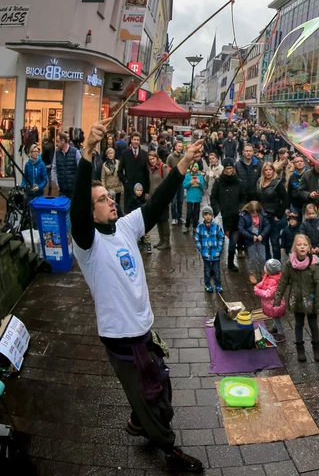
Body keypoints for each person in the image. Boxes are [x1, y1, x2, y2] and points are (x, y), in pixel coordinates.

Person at [69, 119, 204, 472]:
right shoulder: (87, 243)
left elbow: (158, 202)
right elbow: (77, 214)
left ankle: (138, 422)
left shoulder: (126, 226)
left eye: (109, 197)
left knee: (160, 385)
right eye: (101, 200)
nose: (110, 201)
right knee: (152, 397)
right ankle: (168, 450)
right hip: (121, 337)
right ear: (90, 209)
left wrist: (184, 163)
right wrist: (87, 155)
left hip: (143, 329)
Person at [274, 234, 319, 363]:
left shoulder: (314, 265)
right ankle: (300, 348)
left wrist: (318, 305)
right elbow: (283, 282)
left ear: (309, 248)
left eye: (305, 245)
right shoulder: (290, 264)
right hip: (296, 299)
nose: (302, 247)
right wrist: (277, 299)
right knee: (298, 324)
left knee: (313, 325)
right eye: (299, 244)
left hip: (310, 300)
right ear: (294, 247)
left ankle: (316, 347)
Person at [210, 158, 245, 272]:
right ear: (223, 169)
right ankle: (213, 263)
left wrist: (240, 208)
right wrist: (217, 210)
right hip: (222, 216)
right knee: (218, 241)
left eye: (231, 168)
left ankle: (230, 263)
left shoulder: (239, 182)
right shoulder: (219, 182)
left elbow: (243, 198)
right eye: (227, 168)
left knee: (233, 241)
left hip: (235, 216)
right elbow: (213, 197)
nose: (229, 170)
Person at [255, 161, 287, 261]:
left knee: (275, 242)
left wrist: (279, 215)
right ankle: (268, 263)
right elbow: (257, 198)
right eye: (266, 170)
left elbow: (285, 199)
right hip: (262, 216)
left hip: (273, 216)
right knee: (264, 241)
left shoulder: (277, 183)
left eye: (270, 170)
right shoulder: (259, 182)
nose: (268, 172)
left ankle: (277, 264)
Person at [194, 205, 224, 293]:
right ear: (203, 216)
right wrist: (201, 249)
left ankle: (218, 284)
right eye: (206, 214)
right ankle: (207, 284)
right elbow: (197, 239)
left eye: (209, 214)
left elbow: (221, 238)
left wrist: (219, 249)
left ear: (212, 215)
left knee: (216, 271)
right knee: (207, 271)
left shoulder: (217, 226)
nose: (208, 216)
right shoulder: (200, 227)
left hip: (215, 254)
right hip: (206, 254)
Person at [254, 259, 286, 340]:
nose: (264, 267)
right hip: (271, 304)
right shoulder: (268, 276)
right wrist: (259, 285)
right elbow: (263, 282)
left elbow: (268, 294)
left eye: (265, 267)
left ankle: (281, 334)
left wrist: (258, 291)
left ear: (270, 270)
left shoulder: (273, 281)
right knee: (275, 317)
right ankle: (275, 328)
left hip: (275, 304)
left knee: (277, 319)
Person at [238, 200, 269, 285]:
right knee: (252, 258)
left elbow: (267, 226)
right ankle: (252, 272)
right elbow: (241, 229)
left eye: (256, 213)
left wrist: (262, 235)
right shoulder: (244, 216)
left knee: (263, 257)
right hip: (250, 241)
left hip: (261, 240)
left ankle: (263, 271)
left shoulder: (263, 215)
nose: (255, 215)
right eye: (253, 213)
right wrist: (251, 237)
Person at [118, 132, 149, 215]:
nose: (136, 141)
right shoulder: (125, 153)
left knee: (140, 214)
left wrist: (146, 191)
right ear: (131, 140)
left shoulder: (144, 154)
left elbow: (146, 173)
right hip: (129, 189)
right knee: (129, 214)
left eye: (138, 140)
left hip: (141, 189)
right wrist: (125, 182)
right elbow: (120, 171)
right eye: (134, 139)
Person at [145, 152, 171, 251]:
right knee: (158, 219)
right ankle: (161, 240)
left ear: (157, 158)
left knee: (164, 220)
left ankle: (167, 242)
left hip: (162, 198)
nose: (152, 161)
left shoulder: (162, 167)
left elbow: (168, 181)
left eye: (153, 159)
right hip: (153, 198)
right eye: (150, 160)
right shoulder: (150, 170)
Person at [298, 203, 319, 283]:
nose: (311, 215)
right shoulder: (304, 224)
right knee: (309, 266)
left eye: (313, 213)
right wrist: (309, 248)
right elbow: (303, 236)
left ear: (316, 213)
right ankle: (311, 281)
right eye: (309, 214)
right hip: (309, 250)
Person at [52, 131, 81, 198]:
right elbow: (54, 169)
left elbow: (81, 169)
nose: (56, 144)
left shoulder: (75, 152)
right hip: (62, 190)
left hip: (74, 189)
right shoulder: (56, 153)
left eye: (58, 141)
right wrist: (57, 184)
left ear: (63, 141)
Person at [164, 141, 184, 225]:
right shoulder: (170, 157)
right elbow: (167, 167)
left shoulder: (183, 156)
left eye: (181, 146)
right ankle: (174, 217)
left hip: (181, 182)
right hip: (173, 182)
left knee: (180, 201)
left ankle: (179, 217)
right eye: (179, 146)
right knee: (174, 201)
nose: (180, 148)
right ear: (175, 147)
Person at [181, 163, 205, 234]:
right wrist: (190, 183)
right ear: (191, 168)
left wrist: (199, 182)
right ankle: (187, 226)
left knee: (196, 213)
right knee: (189, 213)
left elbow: (203, 186)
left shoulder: (200, 176)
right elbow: (184, 185)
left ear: (197, 168)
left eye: (195, 166)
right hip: (189, 198)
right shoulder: (188, 176)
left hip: (197, 198)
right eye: (193, 166)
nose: (194, 168)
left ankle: (195, 226)